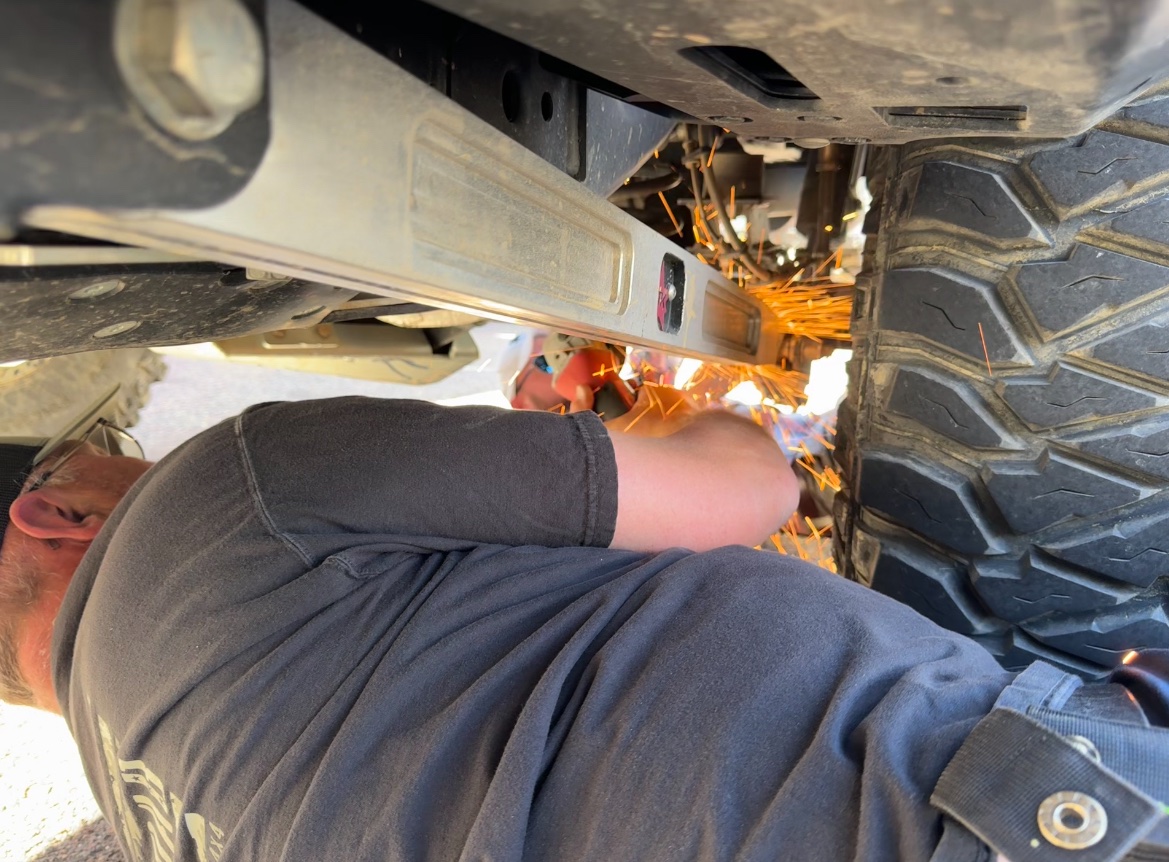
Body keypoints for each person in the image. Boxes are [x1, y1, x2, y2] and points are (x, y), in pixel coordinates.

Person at [0, 389, 1165, 862]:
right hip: (974, 822)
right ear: (51, 507)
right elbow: (747, 489)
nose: (134, 454)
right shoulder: (222, 491)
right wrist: (709, 415)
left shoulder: (149, 810)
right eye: (102, 447)